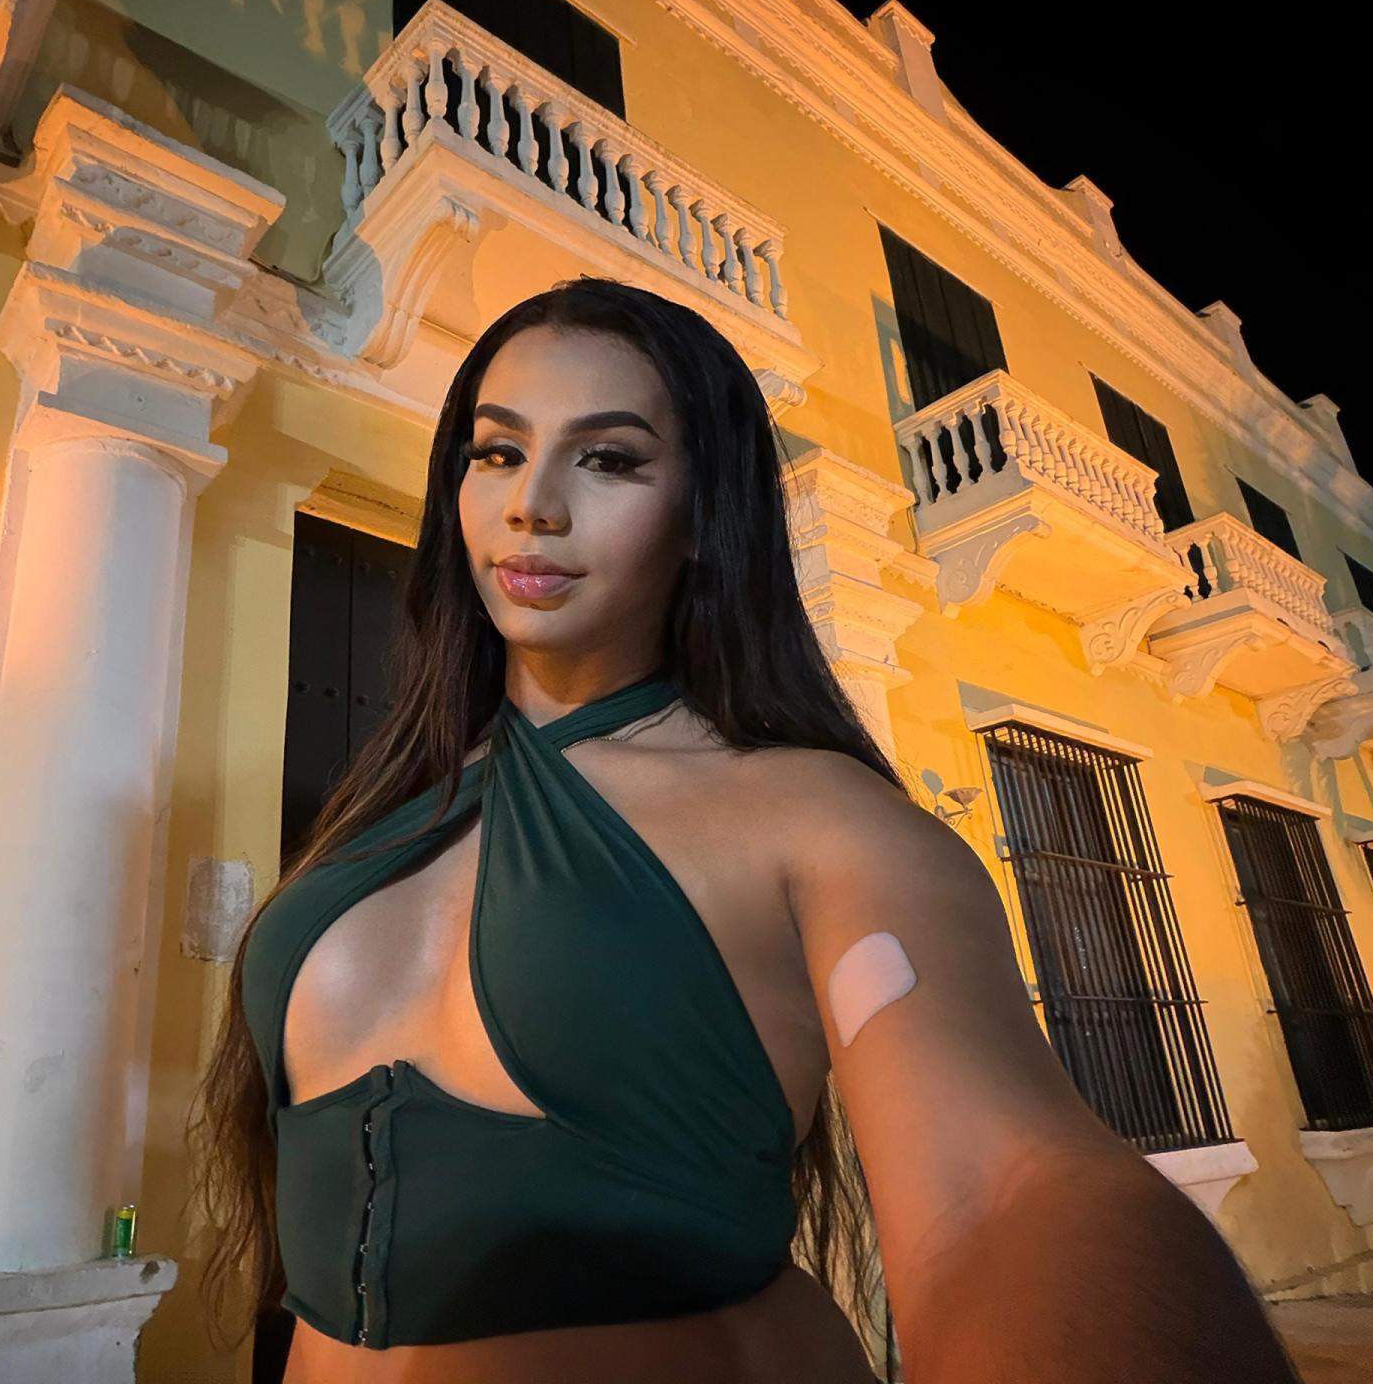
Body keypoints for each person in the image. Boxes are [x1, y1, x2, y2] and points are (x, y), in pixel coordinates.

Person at [189, 277, 1304, 1384]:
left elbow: (1005, 1192)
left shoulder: (818, 817)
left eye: (608, 458)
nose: (532, 503)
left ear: (701, 513)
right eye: (498, 452)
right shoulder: (383, 811)